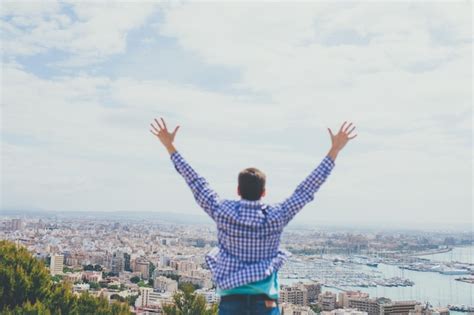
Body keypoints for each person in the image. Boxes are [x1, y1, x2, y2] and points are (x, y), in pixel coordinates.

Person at [150, 118, 357, 315]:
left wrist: (170, 146)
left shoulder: (223, 211)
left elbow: (196, 182)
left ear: (238, 190)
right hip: (265, 301)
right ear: (264, 192)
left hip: (231, 300)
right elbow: (306, 189)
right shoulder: (276, 215)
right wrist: (334, 150)